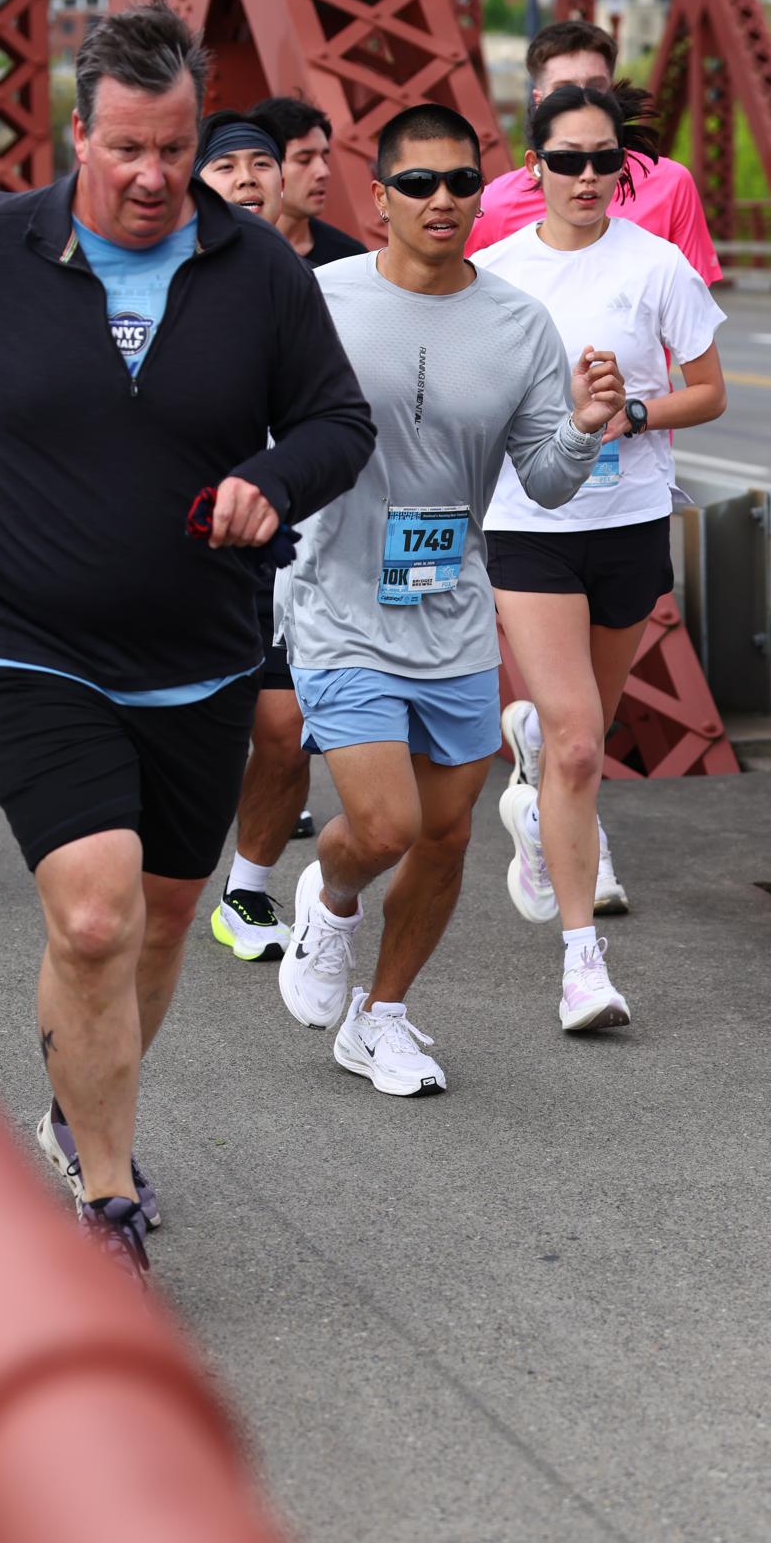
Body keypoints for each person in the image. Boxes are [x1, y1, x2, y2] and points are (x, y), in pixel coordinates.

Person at [0, 2, 375, 1274]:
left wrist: (272, 480)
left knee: (163, 917)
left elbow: (337, 423)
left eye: (175, 148)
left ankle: (75, 1107)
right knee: (90, 917)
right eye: (126, 147)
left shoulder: (258, 269)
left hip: (202, 647)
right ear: (78, 134)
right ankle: (109, 1194)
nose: (151, 175)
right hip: (25, 633)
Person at [274, 101, 625, 1092]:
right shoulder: (316, 300)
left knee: (447, 831)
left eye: (461, 181)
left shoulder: (518, 322)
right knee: (383, 824)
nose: (442, 199)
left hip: (451, 608)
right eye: (418, 183)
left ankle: (380, 1016)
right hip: (336, 599)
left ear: (483, 191)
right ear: (377, 196)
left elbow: (545, 482)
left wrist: (585, 426)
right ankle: (330, 896)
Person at [475, 83, 726, 1025]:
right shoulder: (493, 272)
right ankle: (583, 965)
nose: (586, 176)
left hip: (627, 520)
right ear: (531, 167)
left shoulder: (656, 264)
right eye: (566, 160)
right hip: (528, 523)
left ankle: (538, 783)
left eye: (603, 159)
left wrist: (632, 412)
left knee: (583, 737)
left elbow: (707, 391)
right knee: (582, 746)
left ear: (622, 167)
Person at [188, 110, 313, 962]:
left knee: (284, 725)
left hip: (287, 547)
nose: (245, 177)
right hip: (180, 547)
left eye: (260, 163)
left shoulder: (331, 275)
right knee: (184, 733)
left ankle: (246, 890)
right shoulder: (156, 280)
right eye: (224, 164)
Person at [464, 18, 721, 285]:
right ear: (538, 101)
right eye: (564, 89)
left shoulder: (670, 184)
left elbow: (692, 298)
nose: (582, 101)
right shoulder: (496, 204)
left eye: (596, 87)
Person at [249, 95, 367, 267]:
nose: (324, 172)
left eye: (324, 158)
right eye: (304, 160)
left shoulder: (350, 259)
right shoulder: (220, 251)